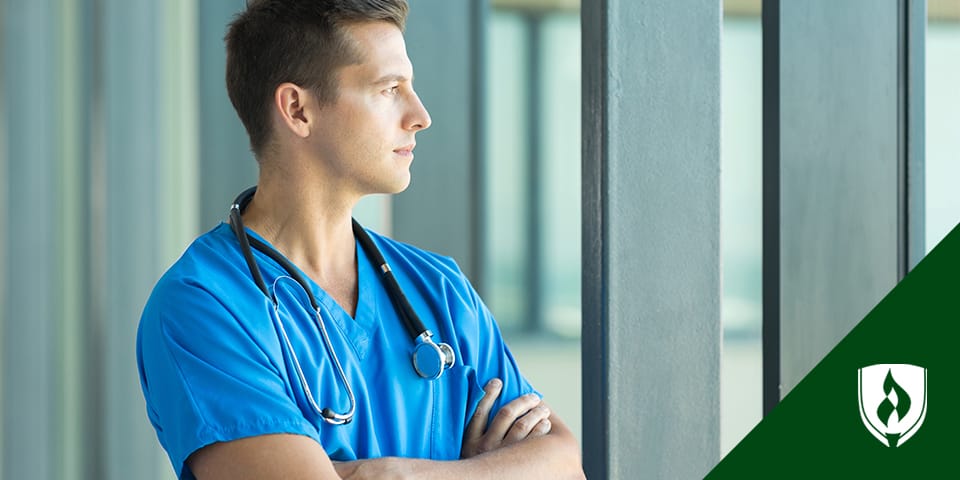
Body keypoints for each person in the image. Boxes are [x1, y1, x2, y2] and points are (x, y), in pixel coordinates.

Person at [135, 1, 584, 479]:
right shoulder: (204, 307)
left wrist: (392, 475)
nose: (420, 115)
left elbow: (563, 464)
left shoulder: (440, 290)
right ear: (298, 109)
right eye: (389, 89)